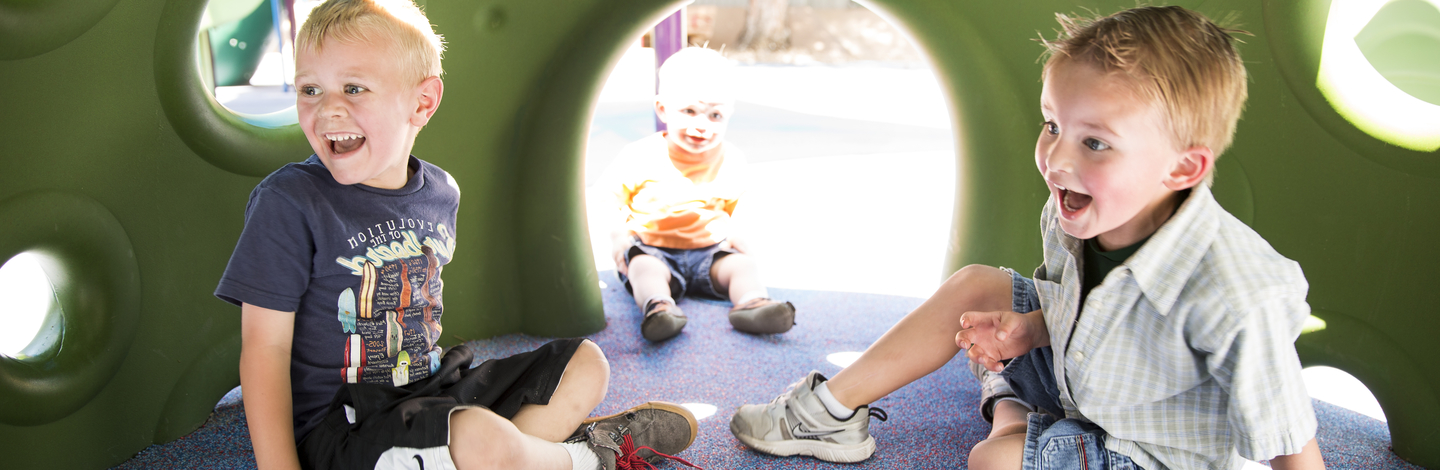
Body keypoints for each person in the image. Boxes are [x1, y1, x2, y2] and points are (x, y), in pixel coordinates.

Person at [729, 6, 1327, 469]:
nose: (1056, 159)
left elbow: (1288, 435)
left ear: (1181, 170)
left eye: (1095, 142)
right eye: (1052, 125)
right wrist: (1032, 328)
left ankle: (1012, 414)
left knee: (993, 460)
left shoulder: (1238, 292)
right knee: (977, 290)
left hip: (1142, 451)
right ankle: (826, 413)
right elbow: (1092, 311)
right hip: (1082, 380)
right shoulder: (1076, 206)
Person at [215, 1, 699, 469]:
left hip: (432, 392)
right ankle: (588, 456)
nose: (327, 110)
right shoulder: (289, 202)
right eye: (310, 90)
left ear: (422, 102)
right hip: (344, 428)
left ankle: (518, 459)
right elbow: (265, 349)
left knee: (586, 363)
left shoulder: (440, 192)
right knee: (482, 440)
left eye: (354, 89)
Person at [601, 47, 795, 342]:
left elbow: (741, 202)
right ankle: (660, 306)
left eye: (715, 115)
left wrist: (739, 232)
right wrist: (619, 238)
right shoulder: (641, 155)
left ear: (729, 113)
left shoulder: (730, 158)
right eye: (689, 111)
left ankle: (753, 303)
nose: (701, 126)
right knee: (642, 267)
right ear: (663, 109)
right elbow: (610, 200)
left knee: (743, 265)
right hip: (655, 248)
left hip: (709, 251)